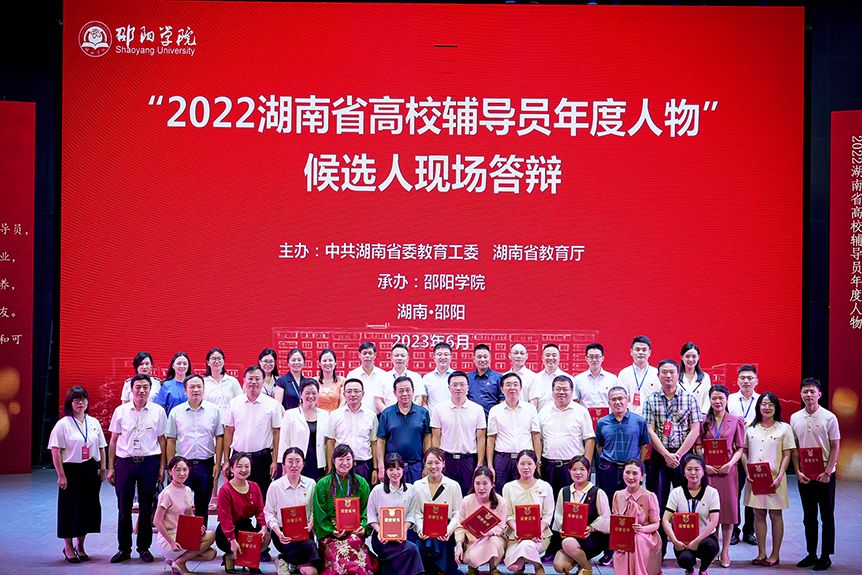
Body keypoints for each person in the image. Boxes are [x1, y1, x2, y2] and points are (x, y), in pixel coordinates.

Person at [643, 359, 704, 556]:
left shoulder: (689, 398)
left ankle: (684, 549)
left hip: (683, 457)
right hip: (659, 457)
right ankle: (658, 550)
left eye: (672, 372)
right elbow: (650, 430)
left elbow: (695, 429)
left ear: (678, 375)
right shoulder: (651, 399)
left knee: (684, 503)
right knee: (658, 504)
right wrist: (666, 454)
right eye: (664, 372)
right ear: (658, 375)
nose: (668, 376)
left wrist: (677, 455)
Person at [107, 373, 167, 563]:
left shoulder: (158, 411)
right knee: (123, 507)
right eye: (138, 387)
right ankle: (124, 549)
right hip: (125, 462)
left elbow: (162, 440)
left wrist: (162, 466)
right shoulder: (121, 411)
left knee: (147, 507)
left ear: (150, 389)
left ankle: (144, 548)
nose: (141, 391)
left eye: (145, 387)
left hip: (149, 462)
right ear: (131, 390)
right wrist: (111, 467)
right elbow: (113, 440)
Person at [49, 386, 107, 563]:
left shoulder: (93, 422)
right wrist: (61, 475)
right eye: (76, 400)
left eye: (83, 399)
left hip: (90, 470)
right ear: (70, 403)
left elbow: (101, 447)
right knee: (70, 509)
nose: (80, 403)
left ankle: (80, 546)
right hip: (71, 471)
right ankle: (68, 547)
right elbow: (56, 451)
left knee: (87, 509)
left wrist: (103, 469)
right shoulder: (63, 424)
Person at [594, 386, 651, 567]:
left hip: (630, 471)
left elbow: (644, 445)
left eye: (621, 398)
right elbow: (599, 446)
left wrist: (637, 466)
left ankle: (627, 547)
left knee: (629, 510)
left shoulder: (639, 421)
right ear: (609, 402)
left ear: (627, 400)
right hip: (608, 470)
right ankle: (609, 551)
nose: (617, 402)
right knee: (609, 510)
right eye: (614, 399)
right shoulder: (602, 422)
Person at [790, 378, 841, 571]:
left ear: (819, 394)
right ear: (801, 394)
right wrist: (797, 471)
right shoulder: (795, 417)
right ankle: (811, 554)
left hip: (825, 475)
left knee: (827, 516)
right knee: (808, 517)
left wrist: (828, 472)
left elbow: (835, 445)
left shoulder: (829, 417)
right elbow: (795, 448)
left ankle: (825, 556)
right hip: (805, 475)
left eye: (812, 391)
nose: (808, 395)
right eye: (805, 391)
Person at [741, 391, 795, 566]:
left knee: (775, 515)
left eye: (771, 404)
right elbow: (744, 452)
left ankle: (775, 554)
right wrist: (747, 471)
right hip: (755, 479)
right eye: (763, 404)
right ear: (759, 407)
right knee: (758, 515)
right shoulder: (751, 428)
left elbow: (787, 454)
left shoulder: (784, 428)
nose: (767, 407)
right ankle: (761, 553)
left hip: (774, 479)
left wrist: (780, 476)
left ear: (776, 407)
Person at [166, 373, 224, 525]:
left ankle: (200, 535)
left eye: (199, 386)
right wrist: (171, 467)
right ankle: (180, 536)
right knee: (179, 505)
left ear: (204, 389)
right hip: (182, 465)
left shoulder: (214, 410)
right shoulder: (176, 412)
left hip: (206, 464)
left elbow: (219, 437)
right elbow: (170, 439)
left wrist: (218, 464)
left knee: (202, 505)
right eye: (192, 387)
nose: (196, 390)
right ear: (185, 390)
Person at [696, 384, 744, 567]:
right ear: (709, 400)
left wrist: (730, 464)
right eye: (714, 398)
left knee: (728, 511)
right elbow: (698, 446)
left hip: (728, 472)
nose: (717, 401)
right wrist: (704, 465)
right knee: (710, 511)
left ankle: (725, 551)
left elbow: (740, 448)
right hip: (709, 472)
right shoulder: (703, 422)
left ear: (726, 399)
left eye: (720, 398)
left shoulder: (736, 421)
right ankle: (713, 548)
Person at [223, 366, 282, 500]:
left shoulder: (272, 404)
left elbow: (277, 434)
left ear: (263, 381)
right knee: (237, 498)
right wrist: (226, 461)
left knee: (261, 497)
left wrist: (275, 461)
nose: (253, 382)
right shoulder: (234, 403)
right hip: (238, 457)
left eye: (257, 379)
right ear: (244, 380)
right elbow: (228, 432)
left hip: (262, 459)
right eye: (250, 378)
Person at [313, 443, 373, 575]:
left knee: (354, 544)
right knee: (338, 554)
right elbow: (319, 514)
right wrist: (331, 530)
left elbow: (367, 511)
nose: (344, 463)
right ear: (333, 461)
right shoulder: (322, 485)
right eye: (340, 459)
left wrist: (363, 527)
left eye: (348, 459)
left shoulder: (362, 483)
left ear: (353, 461)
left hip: (354, 532)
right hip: (331, 533)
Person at [154, 456, 217, 574]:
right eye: (177, 470)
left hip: (183, 534)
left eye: (185, 469)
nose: (182, 473)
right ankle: (180, 562)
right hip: (169, 538)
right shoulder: (167, 493)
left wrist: (197, 527)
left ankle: (173, 560)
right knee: (211, 535)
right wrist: (171, 542)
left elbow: (189, 515)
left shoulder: (187, 490)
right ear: (170, 471)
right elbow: (157, 521)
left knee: (211, 554)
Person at [264, 447, 322, 575]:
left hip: (304, 532)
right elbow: (269, 513)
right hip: (282, 534)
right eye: (290, 461)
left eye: (298, 461)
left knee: (312, 571)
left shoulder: (311, 483)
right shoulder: (275, 486)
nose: (294, 465)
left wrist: (311, 524)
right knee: (310, 546)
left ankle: (285, 560)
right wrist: (278, 532)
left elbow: (315, 510)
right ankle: (293, 561)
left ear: (303, 464)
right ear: (283, 464)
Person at [430, 370, 487, 496]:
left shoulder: (477, 409)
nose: (458, 388)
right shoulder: (439, 409)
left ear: (468, 387)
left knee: (468, 496)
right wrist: (436, 461)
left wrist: (479, 463)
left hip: (468, 460)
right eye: (454, 385)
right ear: (449, 388)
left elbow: (481, 438)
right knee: (445, 496)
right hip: (446, 460)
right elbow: (436, 437)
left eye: (462, 384)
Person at [539, 374, 595, 500]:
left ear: (572, 391)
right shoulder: (543, 411)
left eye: (565, 389)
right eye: (558, 389)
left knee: (572, 502)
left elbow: (589, 440)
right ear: (552, 391)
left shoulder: (581, 411)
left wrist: (585, 466)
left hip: (572, 466)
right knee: (549, 501)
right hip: (549, 466)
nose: (561, 392)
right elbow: (539, 440)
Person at [662, 454, 721, 575]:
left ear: (703, 472)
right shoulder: (676, 492)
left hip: (704, 537)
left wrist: (697, 541)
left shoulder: (712, 492)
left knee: (710, 547)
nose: (693, 473)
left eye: (697, 469)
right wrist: (674, 541)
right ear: (683, 472)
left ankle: (703, 569)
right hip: (682, 539)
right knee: (684, 559)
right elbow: (665, 520)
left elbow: (714, 521)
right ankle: (690, 570)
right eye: (689, 469)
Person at [552, 456, 610, 575]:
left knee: (568, 543)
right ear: (569, 471)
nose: (578, 473)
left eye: (582, 469)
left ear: (588, 471)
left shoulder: (597, 492)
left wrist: (591, 528)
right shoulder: (564, 491)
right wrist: (562, 528)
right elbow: (558, 515)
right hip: (569, 537)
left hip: (591, 539)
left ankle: (586, 567)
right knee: (559, 566)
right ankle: (582, 560)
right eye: (574, 469)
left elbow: (606, 517)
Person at [368, 453, 424, 575]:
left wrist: (403, 531)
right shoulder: (377, 490)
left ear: (403, 469)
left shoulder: (411, 490)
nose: (395, 473)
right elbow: (371, 516)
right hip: (381, 538)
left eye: (398, 468)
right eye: (391, 469)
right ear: (386, 471)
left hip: (401, 536)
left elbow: (411, 515)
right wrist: (380, 532)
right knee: (411, 549)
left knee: (411, 549)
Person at [487, 372, 542, 494]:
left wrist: (537, 462)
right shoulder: (495, 410)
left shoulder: (530, 409)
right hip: (502, 460)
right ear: (502, 389)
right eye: (508, 385)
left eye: (515, 384)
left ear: (520, 388)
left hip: (525, 459)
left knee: (524, 493)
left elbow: (536, 436)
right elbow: (491, 439)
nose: (512, 388)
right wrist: (490, 465)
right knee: (501, 493)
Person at [216, 452, 271, 574]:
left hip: (246, 526)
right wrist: (232, 540)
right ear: (231, 469)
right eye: (239, 466)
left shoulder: (254, 487)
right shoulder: (225, 490)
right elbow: (225, 518)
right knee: (233, 542)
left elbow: (260, 511)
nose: (243, 470)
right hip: (228, 530)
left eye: (247, 466)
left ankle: (243, 559)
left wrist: (263, 527)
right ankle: (231, 555)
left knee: (266, 537)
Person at [502, 450, 555, 575]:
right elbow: (508, 515)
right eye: (522, 463)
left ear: (536, 465)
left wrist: (539, 530)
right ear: (517, 465)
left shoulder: (545, 486)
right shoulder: (508, 487)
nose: (526, 467)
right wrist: (517, 530)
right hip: (514, 534)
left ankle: (538, 566)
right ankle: (521, 565)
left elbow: (548, 515)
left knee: (527, 544)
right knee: (513, 566)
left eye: (530, 463)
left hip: (540, 534)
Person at [413, 447, 463, 575]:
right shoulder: (417, 485)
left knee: (441, 543)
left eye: (437, 462)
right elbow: (416, 512)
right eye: (429, 463)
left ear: (443, 463)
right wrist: (420, 529)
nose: (433, 466)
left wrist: (448, 530)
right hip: (424, 530)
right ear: (424, 464)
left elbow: (458, 513)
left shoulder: (453, 485)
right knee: (420, 544)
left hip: (446, 531)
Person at [727, 364, 760, 545]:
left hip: (756, 453)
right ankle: (734, 530)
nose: (746, 381)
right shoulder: (729, 399)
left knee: (753, 493)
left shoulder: (762, 400)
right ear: (737, 380)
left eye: (750, 378)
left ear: (756, 381)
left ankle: (750, 530)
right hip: (734, 453)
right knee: (734, 494)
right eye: (743, 378)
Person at [611, 459, 662, 575]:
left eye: (635, 473)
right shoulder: (618, 495)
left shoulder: (649, 496)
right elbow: (615, 522)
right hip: (624, 535)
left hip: (646, 535)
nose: (630, 477)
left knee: (636, 539)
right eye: (627, 472)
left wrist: (642, 529)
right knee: (625, 543)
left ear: (642, 476)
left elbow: (656, 524)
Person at [377, 375, 432, 483]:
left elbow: (427, 438)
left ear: (413, 391)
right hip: (393, 467)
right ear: (395, 393)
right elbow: (381, 441)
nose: (405, 394)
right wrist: (381, 466)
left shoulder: (423, 412)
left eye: (408, 390)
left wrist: (427, 464)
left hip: (416, 466)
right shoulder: (387, 413)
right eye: (401, 391)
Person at [453, 466, 508, 574]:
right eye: (477, 483)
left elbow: (501, 527)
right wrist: (459, 544)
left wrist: (490, 532)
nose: (481, 488)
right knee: (471, 555)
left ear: (492, 484)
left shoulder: (501, 502)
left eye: (485, 483)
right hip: (472, 542)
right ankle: (473, 567)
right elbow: (460, 527)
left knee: (493, 541)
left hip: (493, 539)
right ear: (473, 484)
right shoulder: (466, 501)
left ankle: (493, 568)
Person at [325, 378, 380, 485]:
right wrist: (330, 468)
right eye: (349, 391)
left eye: (357, 391)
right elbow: (330, 442)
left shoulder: (371, 415)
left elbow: (374, 443)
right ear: (344, 394)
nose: (353, 394)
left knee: (364, 494)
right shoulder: (335, 415)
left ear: (363, 394)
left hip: (364, 465)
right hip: (341, 466)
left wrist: (375, 468)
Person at [279, 380, 330, 480]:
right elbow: (284, 441)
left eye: (314, 393)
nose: (311, 396)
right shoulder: (290, 414)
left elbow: (327, 442)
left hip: (318, 462)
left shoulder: (325, 415)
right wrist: (284, 465)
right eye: (307, 393)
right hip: (296, 462)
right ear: (300, 394)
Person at [616, 336, 660, 417]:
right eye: (637, 349)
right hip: (629, 418)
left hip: (652, 418)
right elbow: (620, 398)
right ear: (631, 352)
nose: (640, 352)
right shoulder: (624, 373)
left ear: (649, 352)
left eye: (644, 350)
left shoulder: (657, 373)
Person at [345, 342, 389, 413]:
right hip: (357, 414)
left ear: (375, 355)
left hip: (379, 415)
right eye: (364, 353)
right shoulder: (352, 375)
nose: (367, 356)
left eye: (370, 353)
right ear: (359, 355)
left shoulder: (383, 375)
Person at [380, 343, 425, 410]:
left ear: (408, 358)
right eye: (396, 355)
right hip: (389, 415)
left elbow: (419, 398)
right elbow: (378, 400)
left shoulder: (416, 377)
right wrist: (389, 414)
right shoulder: (382, 377)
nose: (399, 358)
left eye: (403, 355)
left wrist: (411, 413)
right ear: (391, 358)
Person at [573, 343, 619, 409]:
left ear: (602, 358)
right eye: (591, 357)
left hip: (608, 415)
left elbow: (617, 400)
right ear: (586, 358)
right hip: (586, 415)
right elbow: (574, 401)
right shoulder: (578, 379)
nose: (594, 360)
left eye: (597, 356)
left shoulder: (612, 379)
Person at [529, 343, 572, 412]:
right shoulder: (535, 378)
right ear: (542, 358)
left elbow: (572, 402)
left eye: (554, 355)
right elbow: (533, 403)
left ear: (559, 358)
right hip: (541, 417)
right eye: (547, 355)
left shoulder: (569, 379)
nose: (551, 358)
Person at [203, 347, 243, 421]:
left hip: (229, 422)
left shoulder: (232, 381)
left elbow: (240, 402)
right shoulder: (203, 382)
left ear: (223, 361)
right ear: (208, 362)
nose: (217, 361)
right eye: (213, 359)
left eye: (219, 358)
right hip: (209, 421)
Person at [466, 344, 504, 417]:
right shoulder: (467, 378)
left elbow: (502, 400)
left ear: (490, 358)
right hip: (471, 419)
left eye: (485, 357)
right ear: (474, 359)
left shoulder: (498, 378)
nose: (482, 360)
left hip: (491, 419)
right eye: (479, 357)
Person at [155, 352, 192, 416]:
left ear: (188, 366)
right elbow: (159, 408)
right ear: (173, 366)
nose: (182, 366)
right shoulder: (166, 385)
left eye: (185, 364)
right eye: (178, 363)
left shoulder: (192, 384)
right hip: (171, 420)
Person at [421, 342, 455, 410]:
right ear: (434, 357)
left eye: (446, 354)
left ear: (451, 357)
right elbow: (423, 401)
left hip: (454, 415)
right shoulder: (427, 378)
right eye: (439, 354)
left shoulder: (457, 376)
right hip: (433, 416)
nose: (443, 357)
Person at [678, 343, 711, 414]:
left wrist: (703, 415)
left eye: (694, 356)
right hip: (679, 418)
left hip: (699, 417)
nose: (690, 359)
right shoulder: (675, 377)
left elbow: (707, 400)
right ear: (682, 357)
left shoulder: (705, 377)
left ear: (698, 357)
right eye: (687, 356)